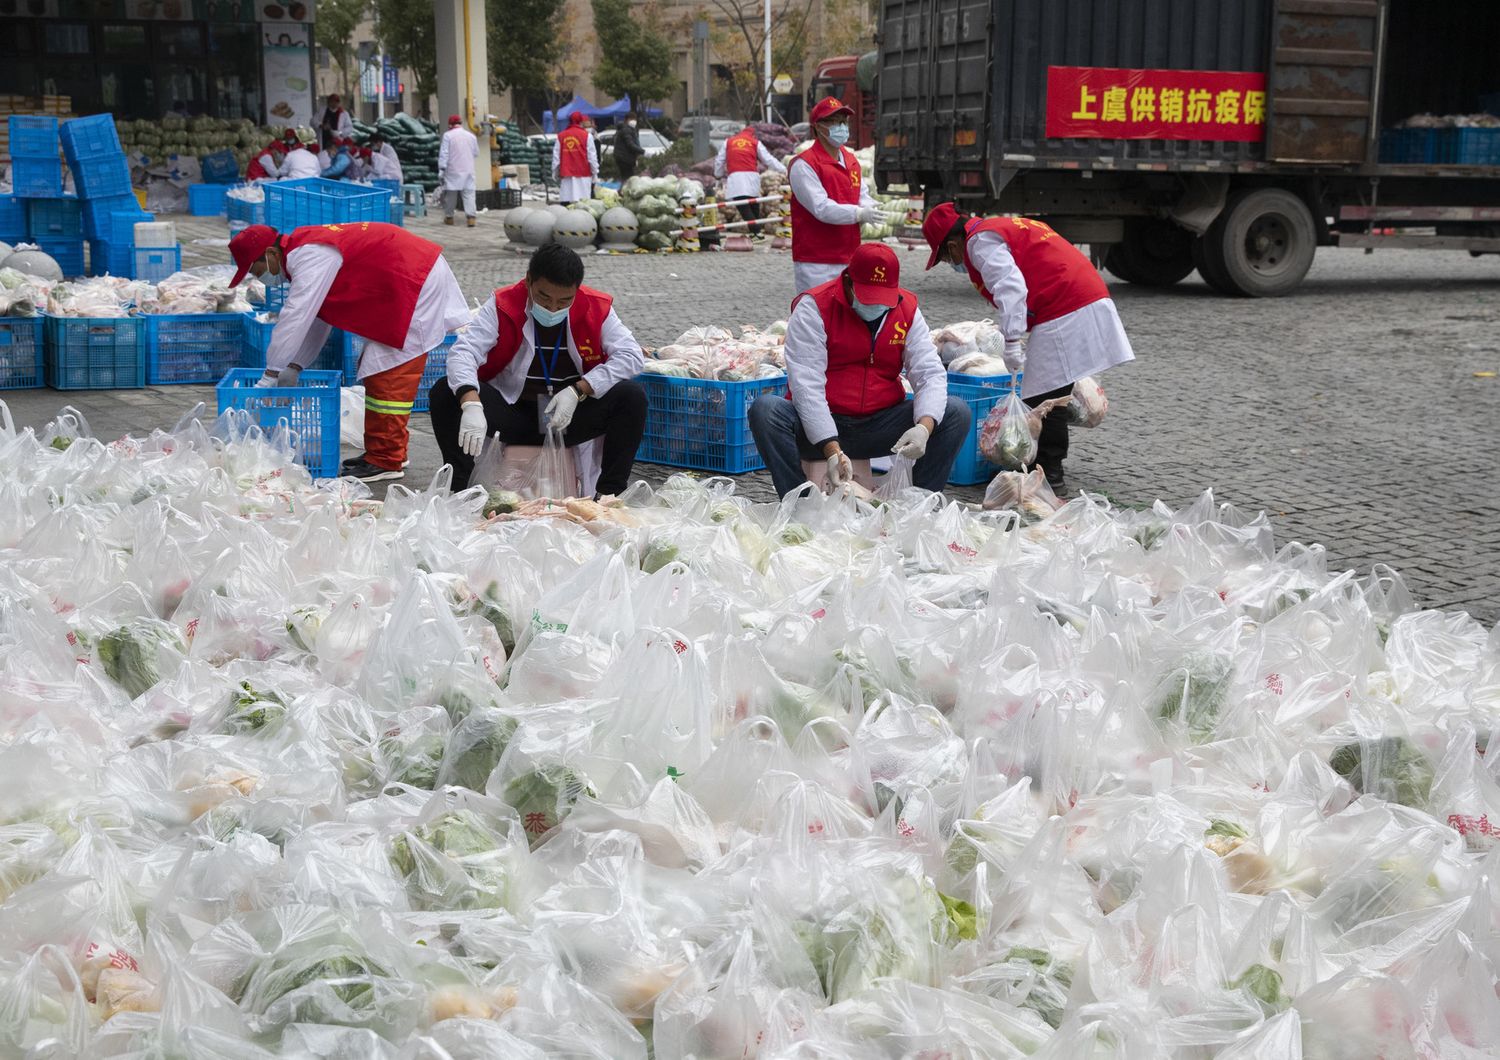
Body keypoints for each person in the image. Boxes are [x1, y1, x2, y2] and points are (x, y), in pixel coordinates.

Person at [227, 222, 470, 483]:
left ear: (271, 254)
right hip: (405, 278)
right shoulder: (306, 251)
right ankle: (386, 451)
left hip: (413, 278)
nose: (260, 279)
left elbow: (296, 316)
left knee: (388, 371)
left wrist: (271, 372)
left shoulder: (308, 255)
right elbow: (318, 318)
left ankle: (387, 458)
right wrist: (295, 366)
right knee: (379, 368)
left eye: (257, 270)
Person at [922, 201, 1135, 494]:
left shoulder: (980, 243)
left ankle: (1050, 474)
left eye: (946, 256)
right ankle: (1045, 470)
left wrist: (1010, 341)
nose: (951, 262)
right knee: (1051, 389)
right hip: (1077, 296)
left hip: (1065, 304)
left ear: (953, 242)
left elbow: (1012, 289)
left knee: (1045, 393)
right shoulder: (994, 229)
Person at [749, 242, 969, 498]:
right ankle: (799, 502)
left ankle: (917, 504)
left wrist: (924, 428)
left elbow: (929, 373)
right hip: (821, 425)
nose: (875, 306)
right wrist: (831, 450)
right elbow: (806, 387)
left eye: (882, 299)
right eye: (868, 297)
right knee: (765, 411)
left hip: (879, 423)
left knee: (955, 412)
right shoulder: (814, 307)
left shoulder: (907, 309)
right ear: (849, 282)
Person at [430, 242, 647, 498]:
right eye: (544, 297)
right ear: (529, 281)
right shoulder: (503, 303)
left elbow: (631, 356)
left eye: (564, 300)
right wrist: (471, 404)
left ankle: (610, 495)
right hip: (514, 413)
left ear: (577, 291)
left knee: (631, 396)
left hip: (567, 416)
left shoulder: (596, 307)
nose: (553, 308)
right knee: (445, 391)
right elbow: (464, 352)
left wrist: (579, 390)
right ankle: (460, 492)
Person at [787, 97, 884, 295]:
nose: (841, 127)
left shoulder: (851, 161)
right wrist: (859, 214)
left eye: (843, 121)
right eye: (834, 121)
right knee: (817, 316)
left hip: (849, 256)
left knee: (846, 317)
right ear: (818, 126)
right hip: (816, 260)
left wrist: (871, 208)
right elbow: (821, 208)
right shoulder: (804, 164)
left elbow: (861, 194)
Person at [715, 124, 787, 237]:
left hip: (736, 177)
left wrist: (718, 175)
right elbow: (768, 160)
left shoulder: (728, 142)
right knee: (753, 204)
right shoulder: (755, 143)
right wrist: (784, 169)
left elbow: (719, 160)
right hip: (752, 177)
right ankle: (756, 232)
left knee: (742, 205)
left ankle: (757, 232)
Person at [438, 114, 479, 227]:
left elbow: (444, 154)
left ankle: (449, 217)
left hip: (453, 170)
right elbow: (476, 153)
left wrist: (441, 169)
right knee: (469, 193)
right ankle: (471, 218)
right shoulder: (471, 136)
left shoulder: (448, 136)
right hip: (468, 169)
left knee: (451, 194)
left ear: (450, 125)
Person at [552, 112, 598, 205]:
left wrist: (555, 172)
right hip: (583, 174)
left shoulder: (561, 136)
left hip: (566, 174)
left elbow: (556, 157)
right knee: (583, 204)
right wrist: (595, 172)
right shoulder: (587, 136)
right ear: (580, 122)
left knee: (566, 202)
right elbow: (592, 157)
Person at [613, 111, 644, 183]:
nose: (634, 121)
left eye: (635, 119)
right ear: (626, 120)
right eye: (631, 119)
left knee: (627, 177)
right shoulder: (626, 130)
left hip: (625, 158)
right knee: (628, 178)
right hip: (624, 158)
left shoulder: (629, 130)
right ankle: (623, 192)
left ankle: (623, 191)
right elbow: (630, 144)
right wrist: (643, 151)